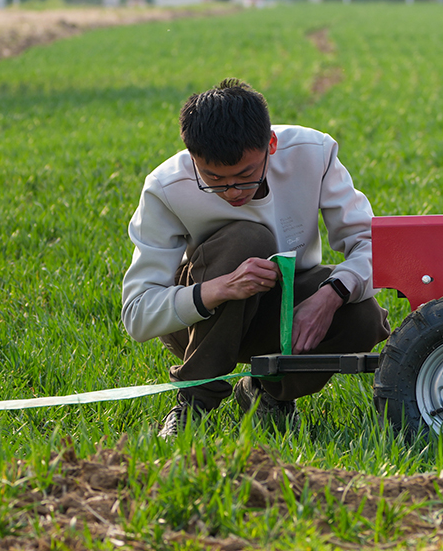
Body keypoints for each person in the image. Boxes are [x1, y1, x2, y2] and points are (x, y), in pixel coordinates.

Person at [121, 78, 390, 437]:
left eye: (245, 175)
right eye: (214, 179)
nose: (232, 191)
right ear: (191, 157)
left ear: (271, 144)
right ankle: (193, 404)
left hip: (285, 313)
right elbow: (137, 315)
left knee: (365, 316)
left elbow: (372, 243)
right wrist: (218, 289)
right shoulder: (165, 187)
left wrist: (330, 296)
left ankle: (267, 395)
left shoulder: (314, 153)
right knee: (247, 238)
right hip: (199, 324)